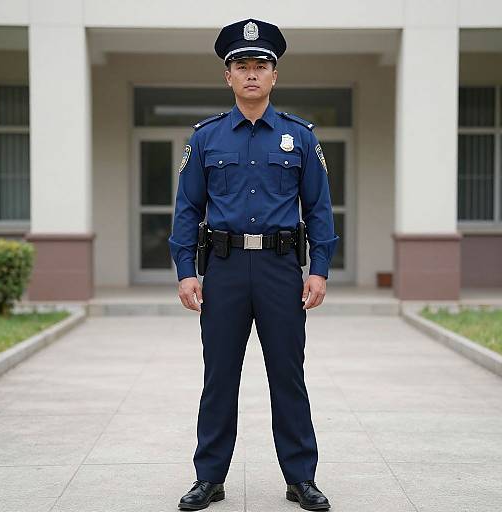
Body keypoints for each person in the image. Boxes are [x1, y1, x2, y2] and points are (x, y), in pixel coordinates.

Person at [168, 18, 339, 511]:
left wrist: (319, 267)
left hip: (281, 270)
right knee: (220, 375)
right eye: (241, 65)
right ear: (228, 76)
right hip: (222, 270)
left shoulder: (299, 138)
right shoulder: (206, 139)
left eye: (260, 65)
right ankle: (210, 478)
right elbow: (187, 210)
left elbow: (320, 208)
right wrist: (185, 270)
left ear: (274, 75)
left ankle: (300, 478)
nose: (250, 73)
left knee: (287, 374)